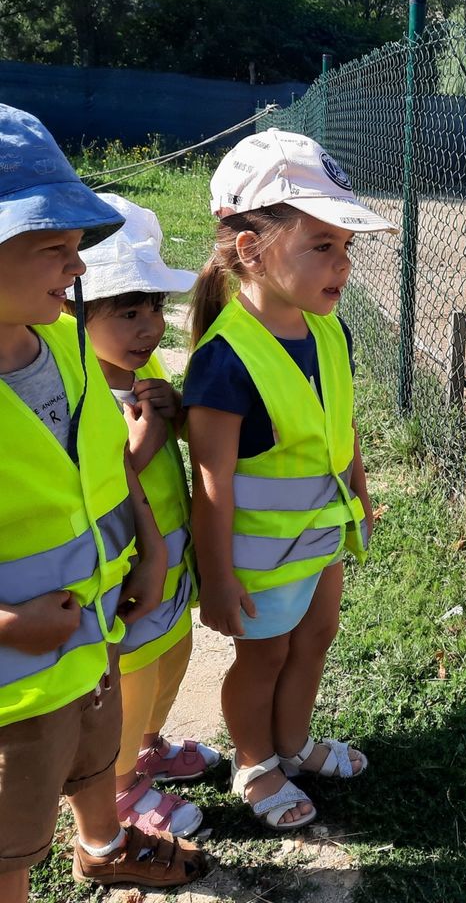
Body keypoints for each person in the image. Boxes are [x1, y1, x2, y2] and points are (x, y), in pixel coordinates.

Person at [0, 106, 207, 902]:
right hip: (15, 677)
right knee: (10, 836)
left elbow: (105, 471)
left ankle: (102, 843)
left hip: (92, 632)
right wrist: (10, 627)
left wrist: (150, 547)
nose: (76, 266)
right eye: (53, 247)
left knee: (95, 756)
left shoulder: (59, 343)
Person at [184, 128, 395, 830]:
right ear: (250, 250)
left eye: (347, 248)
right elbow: (210, 484)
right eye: (322, 246)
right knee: (265, 654)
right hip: (258, 557)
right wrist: (216, 578)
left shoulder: (328, 328)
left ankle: (294, 742)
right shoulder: (224, 362)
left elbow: (342, 423)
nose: (342, 266)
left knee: (316, 636)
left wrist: (359, 493)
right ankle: (255, 760)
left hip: (320, 538)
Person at [63, 193, 220, 838]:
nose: (148, 327)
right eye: (128, 311)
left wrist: (176, 411)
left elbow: (167, 433)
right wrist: (143, 447)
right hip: (129, 569)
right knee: (132, 676)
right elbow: (99, 477)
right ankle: (123, 786)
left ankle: (148, 747)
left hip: (172, 553)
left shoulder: (141, 364)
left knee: (174, 655)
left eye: (155, 306)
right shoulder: (75, 384)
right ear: (75, 310)